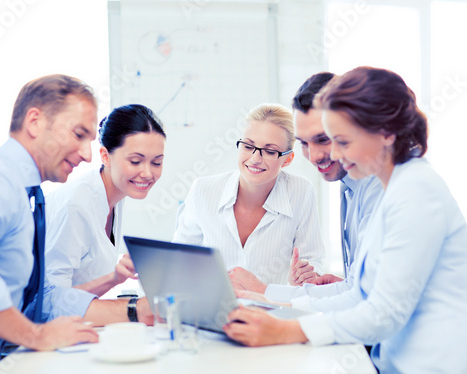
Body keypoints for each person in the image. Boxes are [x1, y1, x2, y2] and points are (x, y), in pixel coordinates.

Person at [223, 66, 467, 374]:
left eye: (343, 141)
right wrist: (274, 304)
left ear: (386, 134)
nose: (330, 154)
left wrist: (285, 329)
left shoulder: (416, 191)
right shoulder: (391, 186)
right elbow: (358, 294)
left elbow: (383, 314)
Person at [0, 75, 152, 373]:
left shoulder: (29, 193)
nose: (87, 154)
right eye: (78, 134)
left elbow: (42, 296)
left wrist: (130, 311)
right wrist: (35, 335)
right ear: (35, 122)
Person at [229, 72, 382, 302]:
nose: (314, 156)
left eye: (323, 139)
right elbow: (366, 289)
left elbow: (375, 302)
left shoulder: (381, 188)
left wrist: (264, 292)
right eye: (304, 143)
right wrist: (346, 287)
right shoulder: (348, 185)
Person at [173, 103, 325, 285]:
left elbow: (313, 262)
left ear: (287, 159)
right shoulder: (203, 191)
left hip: (273, 310)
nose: (255, 159)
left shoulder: (301, 191)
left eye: (269, 151)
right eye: (248, 146)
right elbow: (178, 261)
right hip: (213, 310)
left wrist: (303, 277)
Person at [45, 104, 166, 297]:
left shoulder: (117, 194)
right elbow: (51, 300)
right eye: (135, 161)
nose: (147, 173)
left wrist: (117, 277)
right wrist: (113, 278)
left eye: (157, 162)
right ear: (105, 156)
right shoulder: (77, 205)